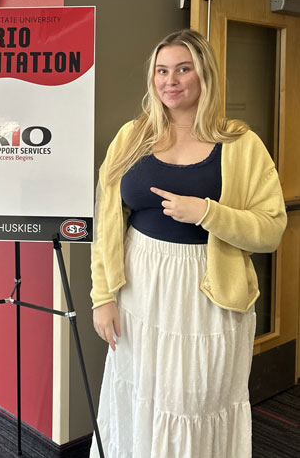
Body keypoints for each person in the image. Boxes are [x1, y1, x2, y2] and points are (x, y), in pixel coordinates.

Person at [89, 29, 286, 458]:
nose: (170, 81)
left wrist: (207, 213)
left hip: (208, 298)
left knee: (194, 403)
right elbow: (107, 223)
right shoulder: (132, 136)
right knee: (139, 395)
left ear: (204, 75)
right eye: (162, 70)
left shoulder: (240, 142)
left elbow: (271, 229)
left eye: (183, 69)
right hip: (139, 291)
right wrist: (102, 296)